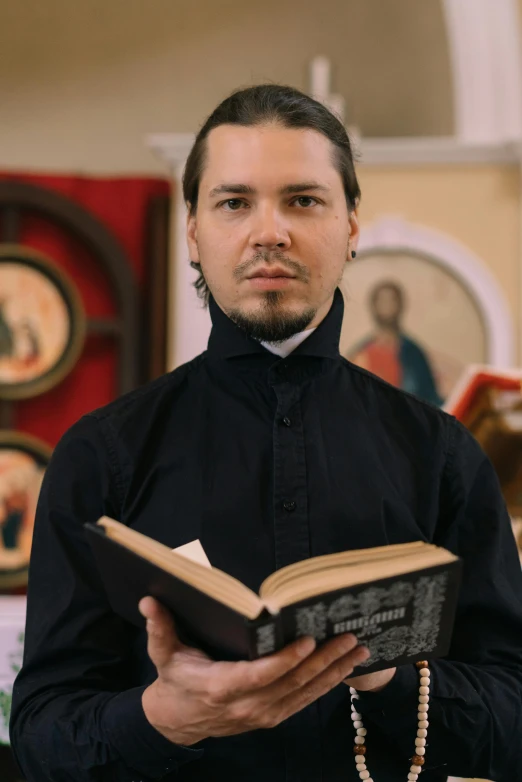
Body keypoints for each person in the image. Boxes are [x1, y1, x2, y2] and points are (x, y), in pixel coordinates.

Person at [9, 85, 522, 782]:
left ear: (351, 227)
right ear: (194, 230)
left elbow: (513, 724)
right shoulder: (103, 453)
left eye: (303, 200)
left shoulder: (444, 455)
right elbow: (40, 737)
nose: (269, 231)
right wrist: (163, 719)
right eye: (235, 202)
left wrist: (388, 681)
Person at [347, 281, 443, 406]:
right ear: (373, 306)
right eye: (382, 301)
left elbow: (431, 399)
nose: (387, 306)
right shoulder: (361, 354)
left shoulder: (414, 353)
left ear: (401, 305)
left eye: (392, 300)